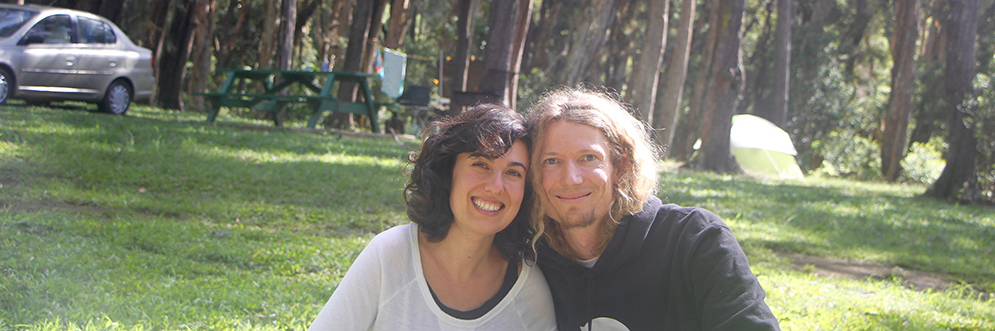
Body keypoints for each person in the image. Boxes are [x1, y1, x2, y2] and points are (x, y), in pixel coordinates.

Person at [526, 87, 779, 331]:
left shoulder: (695, 241)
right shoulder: (531, 256)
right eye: (551, 161)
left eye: (588, 158)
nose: (571, 178)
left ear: (621, 164)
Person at [307, 104, 557, 331]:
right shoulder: (390, 256)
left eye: (513, 173)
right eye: (481, 164)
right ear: (449, 172)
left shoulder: (528, 290)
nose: (495, 186)